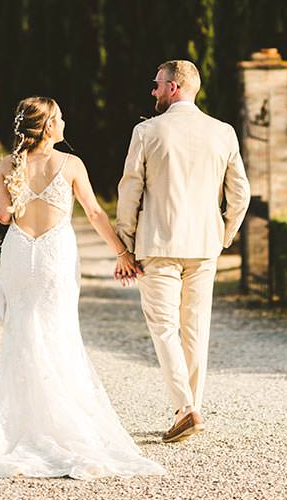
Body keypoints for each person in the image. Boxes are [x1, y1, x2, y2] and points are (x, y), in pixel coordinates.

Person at [0, 96, 165, 480]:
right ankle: (60, 420)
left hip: (19, 254)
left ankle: (22, 425)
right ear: (47, 127)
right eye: (59, 118)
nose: (64, 123)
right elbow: (94, 213)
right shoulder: (71, 165)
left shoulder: (9, 165)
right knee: (58, 332)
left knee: (22, 332)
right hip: (53, 255)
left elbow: (2, 216)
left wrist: (11, 193)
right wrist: (122, 252)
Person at [116, 59, 251, 443]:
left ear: (174, 87)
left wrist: (125, 241)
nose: (153, 91)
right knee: (195, 329)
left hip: (159, 243)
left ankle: (185, 408)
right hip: (205, 244)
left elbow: (130, 190)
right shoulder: (222, 132)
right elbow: (240, 193)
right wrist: (224, 234)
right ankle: (191, 406)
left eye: (157, 84)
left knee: (163, 327)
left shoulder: (146, 131)